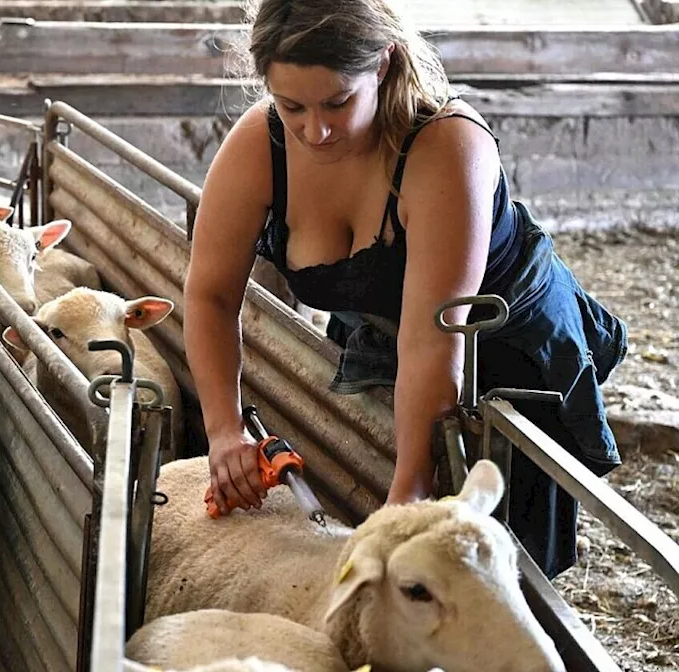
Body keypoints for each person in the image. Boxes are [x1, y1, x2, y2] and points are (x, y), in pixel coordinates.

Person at [183, 0, 628, 579]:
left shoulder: (446, 147)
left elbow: (430, 341)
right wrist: (223, 430)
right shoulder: (260, 144)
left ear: (383, 65)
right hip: (383, 325)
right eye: (292, 105)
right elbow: (210, 294)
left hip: (501, 344)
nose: (315, 131)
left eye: (338, 102)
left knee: (494, 555)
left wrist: (410, 491)